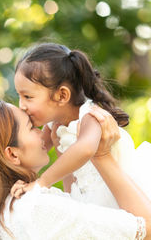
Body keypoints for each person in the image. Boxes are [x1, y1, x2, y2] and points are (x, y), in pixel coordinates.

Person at [0, 100, 151, 239]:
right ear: (12, 154)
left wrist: (65, 153)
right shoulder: (35, 208)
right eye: (31, 127)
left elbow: (72, 221)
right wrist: (102, 156)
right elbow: (145, 228)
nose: (40, 132)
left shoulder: (2, 215)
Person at [13, 43, 151, 208]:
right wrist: (20, 180)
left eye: (28, 96)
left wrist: (42, 183)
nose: (22, 105)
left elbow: (85, 149)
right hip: (90, 195)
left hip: (122, 192)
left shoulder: (90, 116)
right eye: (20, 96)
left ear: (62, 95)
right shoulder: (54, 123)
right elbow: (32, 150)